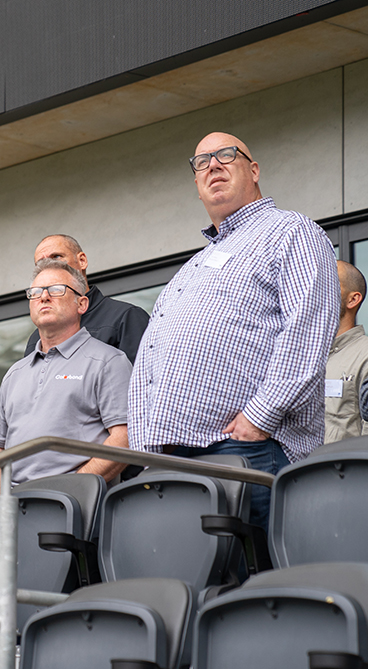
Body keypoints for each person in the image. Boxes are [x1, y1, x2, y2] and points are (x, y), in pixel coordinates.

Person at [128, 132, 339, 532]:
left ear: (254, 170)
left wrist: (259, 418)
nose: (213, 165)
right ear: (196, 183)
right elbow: (152, 353)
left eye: (226, 154)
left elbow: (309, 327)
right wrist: (147, 450)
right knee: (192, 591)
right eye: (201, 161)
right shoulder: (191, 266)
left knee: (254, 589)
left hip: (249, 448)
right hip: (175, 458)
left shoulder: (291, 230)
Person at [0, 261, 131, 498]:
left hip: (75, 508)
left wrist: (74, 489)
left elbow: (124, 438)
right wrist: (8, 500)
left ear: (81, 304)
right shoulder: (14, 373)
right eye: (36, 292)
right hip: (13, 508)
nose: (44, 297)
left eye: (56, 289)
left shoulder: (108, 361)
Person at [22, 235, 150, 364]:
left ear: (82, 260)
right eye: (41, 264)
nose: (49, 266)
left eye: (56, 257)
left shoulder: (126, 317)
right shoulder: (36, 338)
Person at [326, 262, 368, 442]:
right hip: (295, 469)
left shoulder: (364, 354)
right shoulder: (299, 355)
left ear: (352, 299)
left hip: (343, 469)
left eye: (327, 282)